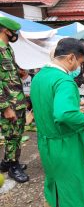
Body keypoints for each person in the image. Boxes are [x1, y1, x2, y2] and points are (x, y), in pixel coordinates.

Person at [30, 38, 84, 207]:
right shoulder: (64, 80)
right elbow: (65, 114)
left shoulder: (40, 76)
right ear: (70, 58)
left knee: (54, 185)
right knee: (75, 190)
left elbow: (47, 105)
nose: (78, 68)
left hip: (46, 143)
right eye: (79, 63)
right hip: (66, 145)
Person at [0, 17, 29, 183]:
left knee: (17, 133)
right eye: (14, 32)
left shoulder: (7, 48)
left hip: (16, 100)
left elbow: (8, 70)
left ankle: (7, 162)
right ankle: (12, 166)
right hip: (8, 103)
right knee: (12, 135)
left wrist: (19, 72)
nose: (16, 35)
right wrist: (5, 108)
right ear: (6, 30)